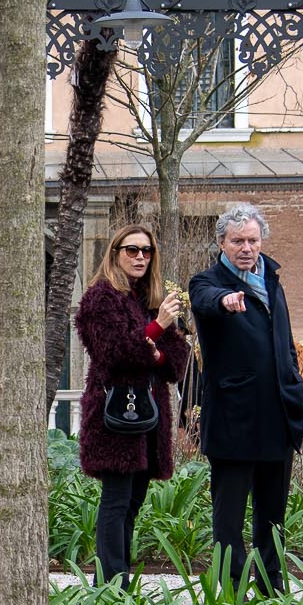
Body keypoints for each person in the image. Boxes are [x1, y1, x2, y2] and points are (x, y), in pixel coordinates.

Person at [188, 203, 303, 591]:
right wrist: (225, 302)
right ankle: (233, 590)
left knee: (273, 516)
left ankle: (273, 588)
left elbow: (284, 343)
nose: (246, 248)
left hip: (278, 414)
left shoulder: (273, 281)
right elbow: (206, 300)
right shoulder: (207, 283)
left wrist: (293, 379)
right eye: (237, 240)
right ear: (221, 242)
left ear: (262, 241)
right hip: (233, 418)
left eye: (252, 240)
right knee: (229, 517)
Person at [76, 224, 190, 586]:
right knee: (116, 500)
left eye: (147, 251)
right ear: (115, 254)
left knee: (134, 501)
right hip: (115, 414)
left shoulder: (149, 298)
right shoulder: (100, 299)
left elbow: (177, 358)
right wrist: (155, 330)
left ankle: (115, 581)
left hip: (149, 416)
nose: (141, 257)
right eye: (132, 250)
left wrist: (154, 351)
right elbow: (112, 352)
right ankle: (111, 586)